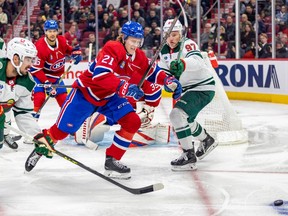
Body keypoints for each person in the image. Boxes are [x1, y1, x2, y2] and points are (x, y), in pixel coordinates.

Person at [25, 21, 182, 179]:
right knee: (61, 131)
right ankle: (39, 149)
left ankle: (112, 160)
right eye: (132, 41)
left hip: (109, 97)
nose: (135, 45)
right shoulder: (113, 48)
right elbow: (100, 75)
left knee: (132, 122)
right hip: (86, 94)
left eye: (138, 41)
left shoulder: (138, 56)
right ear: (124, 38)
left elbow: (152, 71)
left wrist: (168, 80)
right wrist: (125, 87)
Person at [158, 19, 218, 171]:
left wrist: (183, 63)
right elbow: (163, 71)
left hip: (202, 87)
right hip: (189, 89)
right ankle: (206, 140)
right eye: (167, 35)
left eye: (174, 34)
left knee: (177, 115)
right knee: (186, 119)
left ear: (181, 34)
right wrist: (169, 81)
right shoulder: (163, 50)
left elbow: (198, 61)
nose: (170, 38)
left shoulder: (188, 44)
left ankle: (188, 155)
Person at [0, 37, 52, 150]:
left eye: (32, 60)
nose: (31, 64)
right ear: (16, 58)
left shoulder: (27, 82)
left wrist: (38, 136)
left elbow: (23, 114)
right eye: (28, 60)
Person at [29, 19, 82, 121]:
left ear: (57, 31)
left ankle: (68, 124)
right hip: (41, 77)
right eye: (49, 31)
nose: (52, 34)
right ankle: (33, 122)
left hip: (57, 77)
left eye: (54, 31)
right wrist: (46, 83)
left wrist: (75, 53)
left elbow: (68, 50)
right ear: (45, 32)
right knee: (39, 98)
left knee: (64, 102)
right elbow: (37, 70)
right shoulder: (40, 47)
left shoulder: (61, 40)